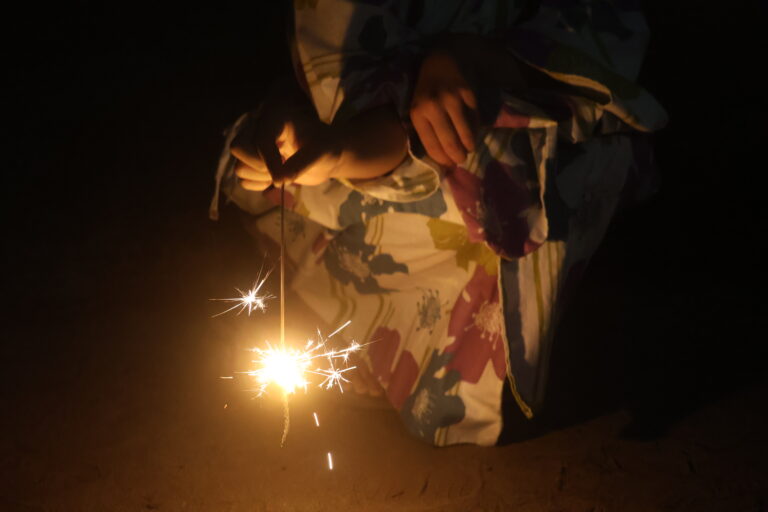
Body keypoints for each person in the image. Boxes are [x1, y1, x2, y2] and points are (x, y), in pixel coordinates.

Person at [210, 0, 666, 446]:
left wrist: (471, 58)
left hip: (509, 143)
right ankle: (339, 318)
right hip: (366, 154)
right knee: (257, 173)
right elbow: (338, 76)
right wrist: (311, 125)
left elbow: (602, 36)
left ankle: (432, 343)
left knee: (498, 196)